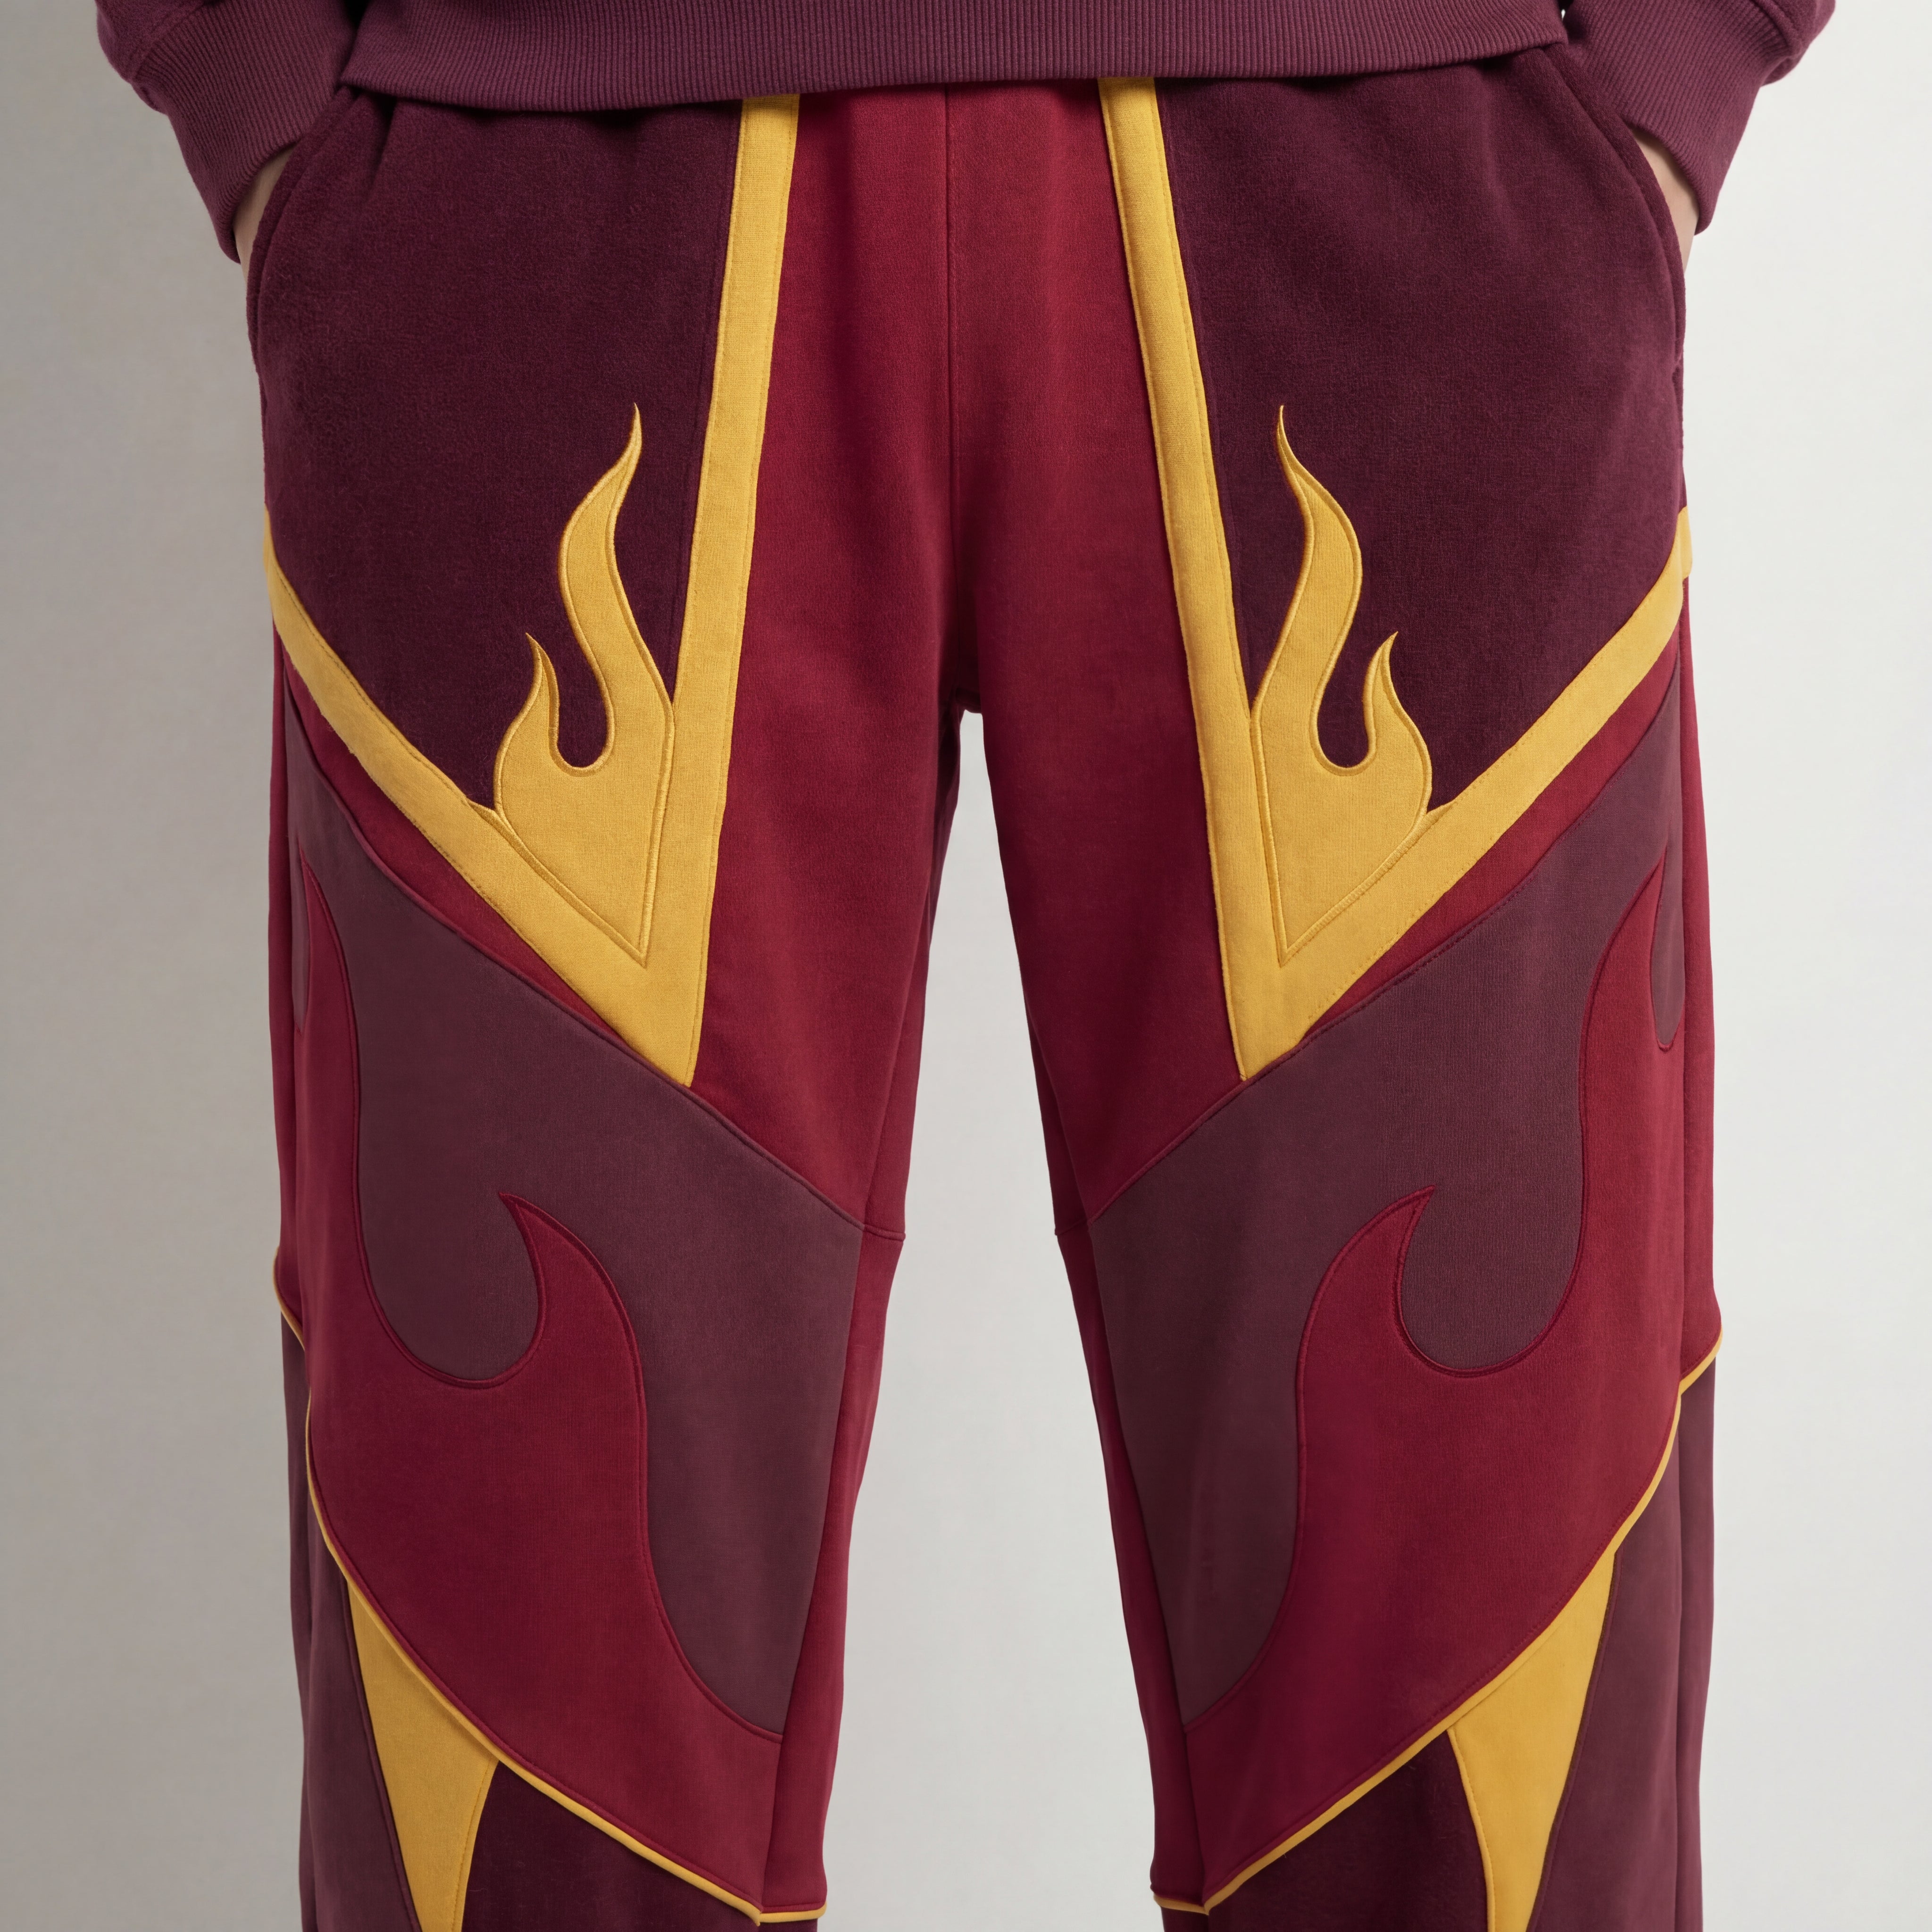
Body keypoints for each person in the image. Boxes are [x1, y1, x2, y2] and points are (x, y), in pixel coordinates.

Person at [100, 3, 1830, 1927]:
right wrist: (253, 68)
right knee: (523, 1775)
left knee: (1484, 1732)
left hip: (1403, 184)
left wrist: (1674, 52)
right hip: (540, 212)